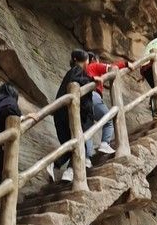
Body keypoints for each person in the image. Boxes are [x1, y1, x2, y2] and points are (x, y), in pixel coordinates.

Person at [47, 50, 94, 183]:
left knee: (72, 146)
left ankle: (66, 172)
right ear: (86, 61)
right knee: (77, 146)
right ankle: (63, 169)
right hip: (68, 114)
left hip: (62, 113)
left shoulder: (72, 72)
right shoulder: (77, 71)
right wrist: (91, 80)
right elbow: (76, 81)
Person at [85, 53, 129, 155]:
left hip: (83, 101)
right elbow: (112, 68)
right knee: (109, 119)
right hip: (93, 96)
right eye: (98, 59)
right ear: (93, 59)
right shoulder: (93, 65)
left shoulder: (82, 71)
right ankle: (105, 143)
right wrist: (126, 64)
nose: (99, 62)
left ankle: (87, 158)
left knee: (88, 129)